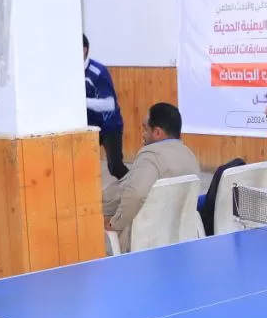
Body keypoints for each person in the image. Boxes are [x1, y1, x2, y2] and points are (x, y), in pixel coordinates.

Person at [103, 102, 200, 251]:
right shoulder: (190, 156)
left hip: (136, 237)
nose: (142, 134)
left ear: (157, 133)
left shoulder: (150, 156)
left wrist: (114, 224)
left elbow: (136, 194)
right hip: (173, 235)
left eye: (145, 129)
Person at [83, 34, 127, 179]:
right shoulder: (70, 72)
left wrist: (82, 102)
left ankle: (137, 188)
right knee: (82, 165)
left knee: (115, 167)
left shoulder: (98, 72)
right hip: (88, 128)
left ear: (84, 50)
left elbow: (109, 104)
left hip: (109, 126)